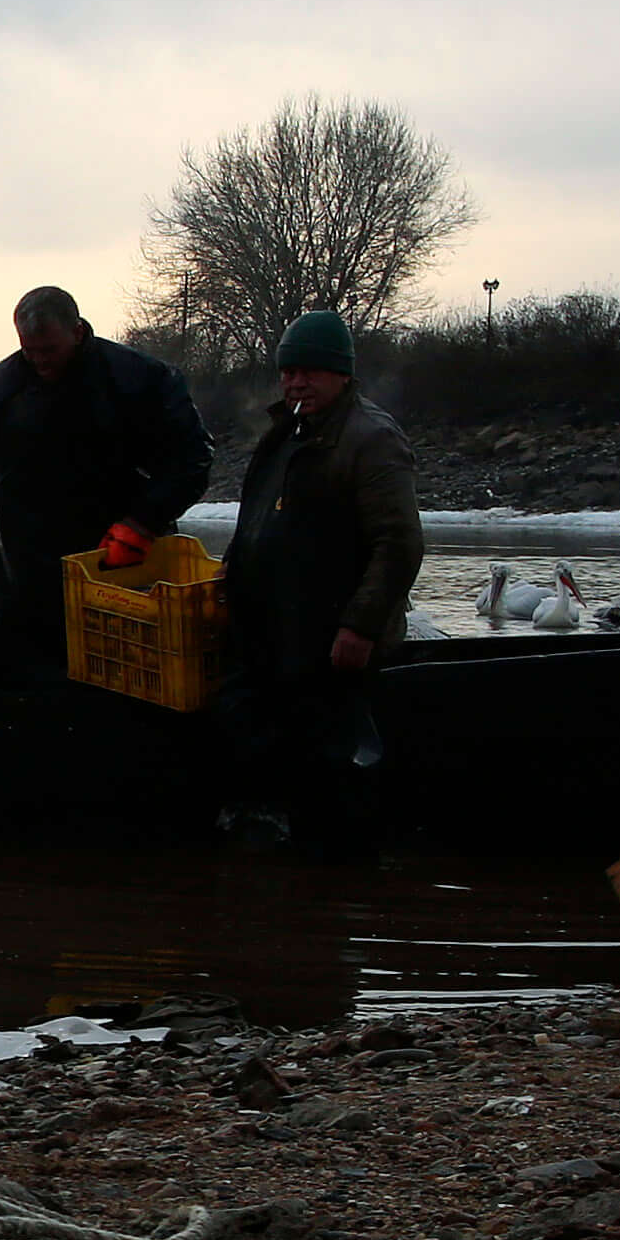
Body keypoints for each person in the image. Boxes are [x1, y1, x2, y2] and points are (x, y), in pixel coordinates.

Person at [0, 285, 212, 686]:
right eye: (30, 351)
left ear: (77, 332)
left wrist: (144, 522)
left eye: (49, 350)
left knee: (125, 681)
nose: (40, 361)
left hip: (120, 561)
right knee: (5, 680)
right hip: (21, 570)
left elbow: (191, 459)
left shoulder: (141, 380)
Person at [219, 308, 425, 854]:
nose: (295, 383)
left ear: (342, 374)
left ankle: (339, 872)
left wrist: (360, 626)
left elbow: (399, 543)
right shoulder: (286, 434)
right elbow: (256, 526)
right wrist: (228, 584)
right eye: (288, 372)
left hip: (331, 644)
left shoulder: (371, 439)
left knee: (332, 768)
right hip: (272, 639)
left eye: (309, 371)